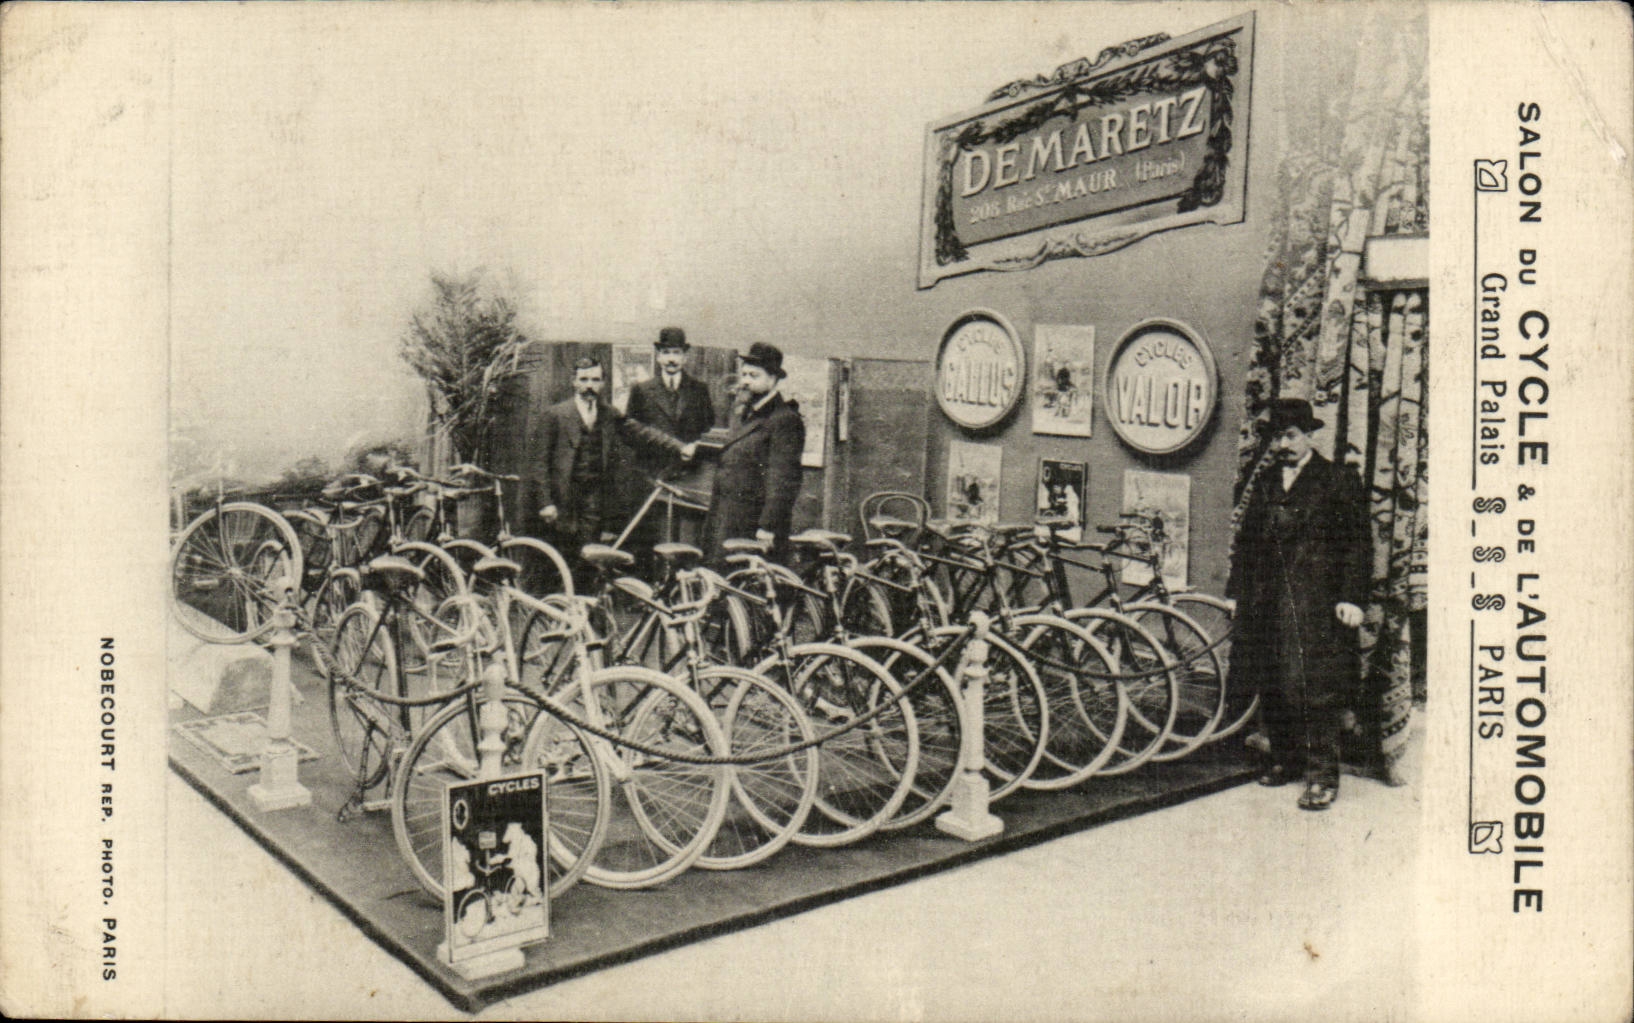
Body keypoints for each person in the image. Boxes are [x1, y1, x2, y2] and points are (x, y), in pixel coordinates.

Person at [1227, 398, 1369, 811]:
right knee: (1273, 681)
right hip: (1268, 598)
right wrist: (1238, 593)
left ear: (1309, 436)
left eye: (1290, 436)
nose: (1283, 444)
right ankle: (1285, 761)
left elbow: (1358, 543)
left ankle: (1323, 776)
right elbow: (1248, 542)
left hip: (1316, 603)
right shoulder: (1268, 480)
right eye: (1277, 437)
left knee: (1314, 688)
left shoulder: (1338, 479)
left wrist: (1352, 597)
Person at [533, 358, 696, 578]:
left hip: (593, 498)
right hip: (562, 498)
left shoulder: (608, 413)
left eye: (595, 380)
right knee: (559, 557)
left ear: (602, 383)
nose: (589, 385)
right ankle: (558, 604)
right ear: (574, 382)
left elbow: (642, 432)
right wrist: (545, 503)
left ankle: (585, 602)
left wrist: (679, 447)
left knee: (589, 555)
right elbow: (539, 462)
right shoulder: (555, 415)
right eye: (584, 379)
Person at [703, 342, 805, 565]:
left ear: (773, 379)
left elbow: (784, 480)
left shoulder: (784, 419)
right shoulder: (745, 413)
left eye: (754, 375)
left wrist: (768, 527)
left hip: (752, 525)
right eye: (744, 374)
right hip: (728, 518)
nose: (746, 381)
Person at [622, 327, 717, 560]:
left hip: (687, 479)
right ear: (658, 357)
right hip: (651, 477)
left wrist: (694, 448)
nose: (671, 359)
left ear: (685, 357)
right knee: (648, 541)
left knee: (682, 542)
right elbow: (631, 433)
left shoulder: (699, 390)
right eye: (666, 352)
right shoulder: (641, 390)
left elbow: (707, 428)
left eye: (676, 352)